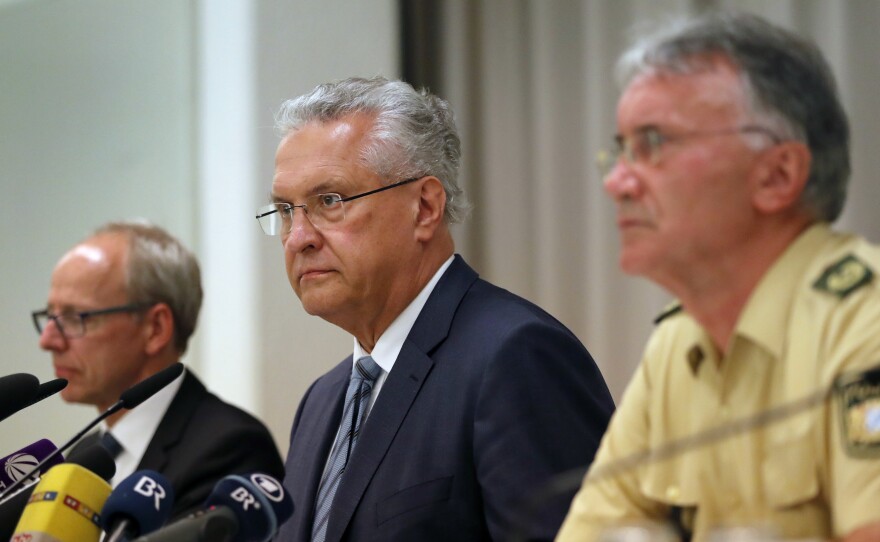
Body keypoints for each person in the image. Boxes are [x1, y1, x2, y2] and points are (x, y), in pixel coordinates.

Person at [556, 11, 880, 542]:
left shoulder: (865, 322)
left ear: (776, 175)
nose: (617, 181)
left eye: (653, 143)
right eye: (621, 150)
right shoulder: (678, 344)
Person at [257, 76, 615, 541]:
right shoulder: (322, 402)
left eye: (330, 201)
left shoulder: (515, 358)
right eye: (285, 210)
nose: (299, 237)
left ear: (424, 207)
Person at [33, 220, 284, 519]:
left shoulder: (229, 447)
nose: (47, 340)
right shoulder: (84, 456)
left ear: (155, 328)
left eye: (75, 317)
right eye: (50, 316)